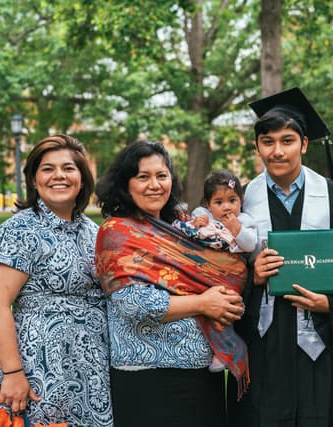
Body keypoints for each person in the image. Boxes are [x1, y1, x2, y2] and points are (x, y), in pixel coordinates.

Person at [227, 87, 333, 427]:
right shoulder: (239, 201)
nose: (277, 150)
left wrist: (332, 306)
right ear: (257, 147)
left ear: (304, 144)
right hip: (264, 342)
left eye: (287, 140)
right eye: (267, 142)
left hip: (322, 343)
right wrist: (251, 276)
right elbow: (221, 272)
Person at [94, 140, 247, 427]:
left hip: (202, 373)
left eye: (161, 176)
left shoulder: (184, 225)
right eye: (143, 176)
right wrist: (204, 303)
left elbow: (224, 264)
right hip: (147, 377)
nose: (155, 185)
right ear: (126, 184)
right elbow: (134, 304)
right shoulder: (116, 233)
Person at [0, 134, 112, 426]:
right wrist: (13, 373)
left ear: (82, 178)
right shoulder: (20, 230)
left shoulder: (93, 232)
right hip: (39, 371)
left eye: (69, 168)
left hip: (92, 373)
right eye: (47, 168)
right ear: (33, 179)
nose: (59, 176)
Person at [174, 169, 257, 373]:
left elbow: (250, 245)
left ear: (241, 200)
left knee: (224, 310)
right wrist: (197, 222)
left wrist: (236, 228)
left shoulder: (245, 221)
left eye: (232, 200)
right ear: (208, 204)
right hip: (205, 270)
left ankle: (225, 350)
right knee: (204, 309)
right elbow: (192, 228)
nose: (226, 207)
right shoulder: (205, 215)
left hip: (230, 273)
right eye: (219, 202)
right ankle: (212, 346)